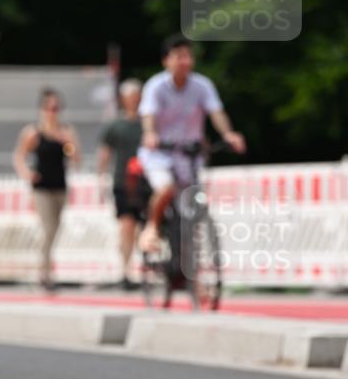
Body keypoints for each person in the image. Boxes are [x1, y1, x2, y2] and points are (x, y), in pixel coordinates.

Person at [138, 34, 245, 251]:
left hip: (190, 154)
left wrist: (228, 134)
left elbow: (216, 112)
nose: (185, 61)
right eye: (179, 56)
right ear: (166, 60)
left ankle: (192, 270)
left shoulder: (202, 85)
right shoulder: (156, 86)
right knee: (166, 188)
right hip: (161, 153)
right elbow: (148, 115)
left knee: (193, 207)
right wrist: (150, 134)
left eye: (188, 56)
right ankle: (152, 227)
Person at [13, 88, 81, 291]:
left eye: (56, 108)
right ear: (42, 109)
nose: (53, 112)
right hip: (41, 186)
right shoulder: (33, 132)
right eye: (50, 108)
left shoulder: (66, 131)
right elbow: (19, 157)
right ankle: (45, 273)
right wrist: (27, 173)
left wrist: (69, 143)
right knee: (48, 228)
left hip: (60, 185)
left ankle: (46, 268)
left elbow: (76, 159)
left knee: (55, 228)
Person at [96, 79, 144, 289]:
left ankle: (146, 270)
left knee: (145, 228)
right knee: (126, 226)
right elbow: (105, 153)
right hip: (123, 182)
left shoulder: (148, 124)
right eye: (130, 97)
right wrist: (101, 177)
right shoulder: (116, 126)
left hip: (145, 182)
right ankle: (125, 271)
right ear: (123, 100)